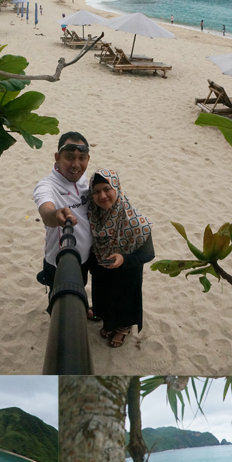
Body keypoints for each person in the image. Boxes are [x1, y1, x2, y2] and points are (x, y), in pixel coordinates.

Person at [88, 169, 154, 348]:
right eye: (96, 191)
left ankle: (123, 328)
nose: (102, 196)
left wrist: (124, 259)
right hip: (102, 270)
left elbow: (148, 253)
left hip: (127, 273)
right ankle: (107, 321)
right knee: (102, 297)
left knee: (123, 301)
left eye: (107, 189)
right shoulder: (94, 215)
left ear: (117, 188)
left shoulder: (135, 221)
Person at [33, 132, 94, 295]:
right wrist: (55, 215)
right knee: (60, 301)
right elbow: (46, 212)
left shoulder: (82, 177)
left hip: (85, 257)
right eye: (69, 157)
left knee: (80, 291)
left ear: (88, 159)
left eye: (82, 158)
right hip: (59, 261)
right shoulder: (46, 186)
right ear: (57, 157)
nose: (76, 165)